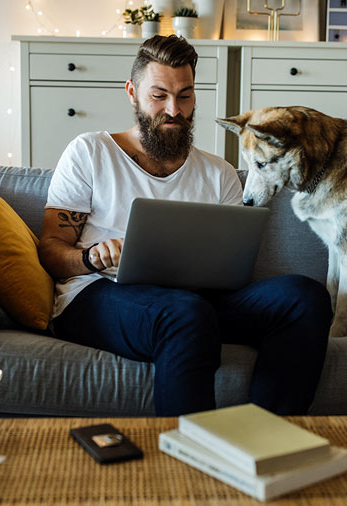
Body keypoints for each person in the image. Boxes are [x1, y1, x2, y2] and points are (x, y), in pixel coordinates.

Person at [38, 35, 331, 417]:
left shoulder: (220, 173)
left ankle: (265, 437)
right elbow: (51, 249)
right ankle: (185, 464)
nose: (173, 110)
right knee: (184, 312)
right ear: (132, 93)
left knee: (304, 296)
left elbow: (233, 268)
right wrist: (92, 258)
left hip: (198, 302)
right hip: (98, 293)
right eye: (159, 95)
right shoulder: (90, 151)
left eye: (185, 96)